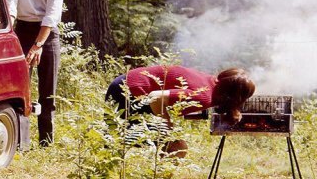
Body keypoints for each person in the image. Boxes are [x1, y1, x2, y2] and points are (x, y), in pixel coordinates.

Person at [105, 65, 255, 156]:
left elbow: (179, 102)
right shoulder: (204, 96)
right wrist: (166, 125)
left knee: (115, 140)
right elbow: (156, 97)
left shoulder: (210, 82)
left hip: (124, 83)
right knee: (177, 148)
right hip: (127, 93)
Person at [2, 0, 65, 145]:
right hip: (21, 28)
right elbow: (9, 2)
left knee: (48, 89)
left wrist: (39, 44)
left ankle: (46, 141)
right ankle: (21, 141)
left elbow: (53, 12)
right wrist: (7, 32)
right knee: (20, 86)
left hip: (47, 33)